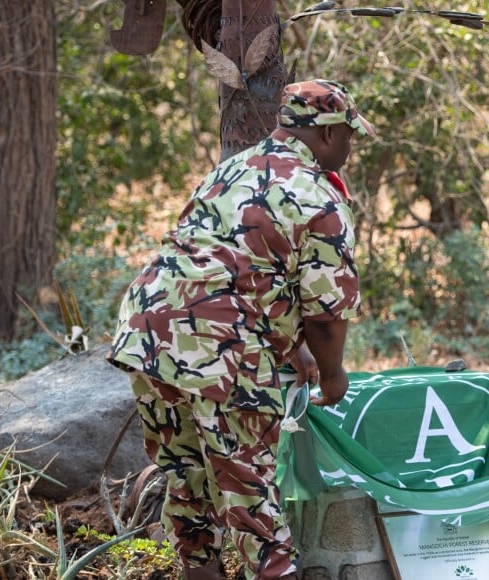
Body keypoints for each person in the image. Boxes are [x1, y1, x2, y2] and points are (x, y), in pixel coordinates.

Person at [107, 79, 374, 579]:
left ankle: (200, 572)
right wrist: (333, 375)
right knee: (252, 491)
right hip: (219, 347)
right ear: (327, 133)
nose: (350, 146)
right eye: (348, 135)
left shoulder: (232, 168)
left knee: (187, 478)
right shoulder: (318, 196)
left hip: (148, 330)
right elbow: (325, 312)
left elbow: (232, 265)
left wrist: (291, 348)